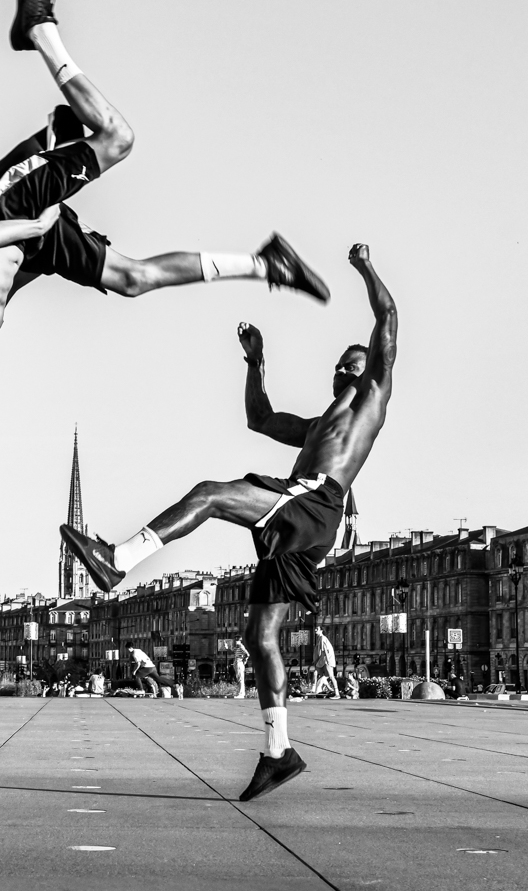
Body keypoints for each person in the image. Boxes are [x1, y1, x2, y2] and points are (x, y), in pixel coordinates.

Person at [0, 0, 329, 429]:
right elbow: (3, 287)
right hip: (30, 244)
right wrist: (49, 255)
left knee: (117, 138)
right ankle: (268, 264)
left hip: (7, 207)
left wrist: (35, 227)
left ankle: (41, 32)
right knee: (133, 279)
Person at [62, 243, 397, 800]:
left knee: (212, 494)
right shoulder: (318, 425)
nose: (341, 366)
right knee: (259, 636)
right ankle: (278, 751)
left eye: (352, 361)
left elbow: (388, 317)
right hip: (307, 522)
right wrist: (255, 361)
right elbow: (259, 418)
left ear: (369, 370)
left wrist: (365, 267)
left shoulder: (373, 400)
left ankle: (118, 559)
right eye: (338, 362)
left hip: (313, 503)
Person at [312, 625, 340, 697]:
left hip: (326, 660)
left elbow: (324, 651)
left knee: (331, 676)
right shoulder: (319, 639)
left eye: (317, 629)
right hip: (322, 660)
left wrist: (327, 661)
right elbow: (319, 652)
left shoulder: (323, 638)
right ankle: (316, 689)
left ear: (321, 630)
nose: (315, 630)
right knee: (318, 673)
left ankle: (337, 693)